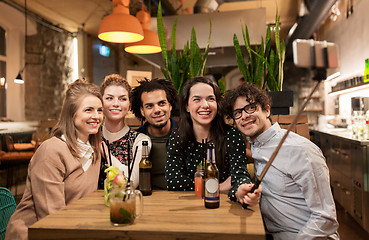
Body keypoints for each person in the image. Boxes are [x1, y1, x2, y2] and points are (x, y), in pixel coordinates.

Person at [222, 82, 339, 240]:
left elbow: (325, 218)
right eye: (237, 113)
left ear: (267, 110)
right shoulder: (257, 147)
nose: (244, 116)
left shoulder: (300, 150)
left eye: (250, 108)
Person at [5, 80, 104, 240]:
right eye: (88, 110)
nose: (96, 116)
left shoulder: (94, 152)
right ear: (72, 114)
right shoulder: (51, 151)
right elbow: (51, 216)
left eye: (99, 110)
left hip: (73, 230)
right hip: (33, 233)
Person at [165, 76, 260, 204]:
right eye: (197, 99)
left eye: (211, 99)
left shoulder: (232, 135)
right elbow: (173, 181)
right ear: (187, 106)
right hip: (187, 206)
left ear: (217, 104)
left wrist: (241, 190)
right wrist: (217, 187)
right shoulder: (178, 136)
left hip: (223, 206)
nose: (205, 105)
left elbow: (239, 176)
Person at [98, 74, 151, 190]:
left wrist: (108, 155)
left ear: (129, 105)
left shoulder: (141, 141)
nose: (116, 103)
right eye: (109, 98)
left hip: (125, 203)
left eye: (122, 99)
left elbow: (131, 183)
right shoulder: (91, 136)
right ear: (100, 103)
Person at [131, 78, 178, 190]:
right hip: (147, 201)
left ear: (170, 106)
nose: (157, 110)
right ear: (142, 111)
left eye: (162, 103)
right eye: (149, 106)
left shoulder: (186, 134)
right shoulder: (134, 140)